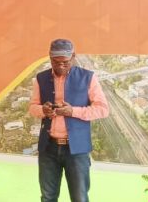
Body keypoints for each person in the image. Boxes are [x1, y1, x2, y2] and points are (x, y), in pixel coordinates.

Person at [28, 39, 109, 202]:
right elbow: (32, 107)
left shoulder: (89, 78)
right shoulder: (41, 78)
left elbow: (103, 109)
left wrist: (73, 111)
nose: (60, 66)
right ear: (50, 58)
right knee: (47, 197)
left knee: (79, 198)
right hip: (48, 148)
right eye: (55, 62)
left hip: (77, 150)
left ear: (73, 57)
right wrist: (43, 110)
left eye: (65, 62)